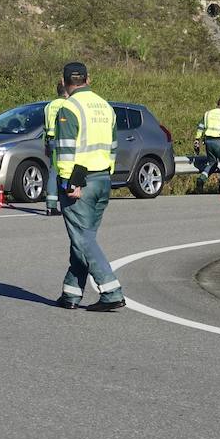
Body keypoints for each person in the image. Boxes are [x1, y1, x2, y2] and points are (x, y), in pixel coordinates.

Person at [52, 62, 124, 312]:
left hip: (79, 182)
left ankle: (111, 290)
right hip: (102, 178)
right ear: (88, 79)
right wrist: (107, 173)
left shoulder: (69, 107)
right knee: (84, 238)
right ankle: (71, 294)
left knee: (83, 239)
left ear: (64, 82)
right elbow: (113, 146)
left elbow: (65, 149)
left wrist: (68, 182)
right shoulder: (105, 106)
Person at [42, 82, 68, 216]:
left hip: (50, 140)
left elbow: (45, 126)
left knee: (53, 171)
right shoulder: (67, 104)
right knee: (66, 170)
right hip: (63, 140)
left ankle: (51, 205)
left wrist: (46, 144)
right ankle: (66, 203)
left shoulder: (49, 106)